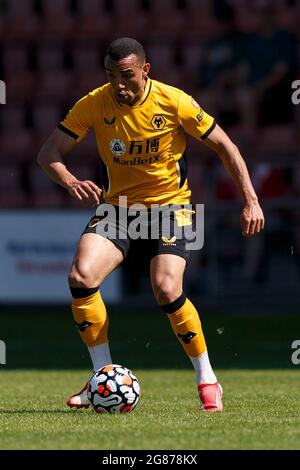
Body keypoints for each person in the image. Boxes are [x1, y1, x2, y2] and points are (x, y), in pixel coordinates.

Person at [37, 37, 265, 412]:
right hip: (119, 209)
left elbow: (227, 146)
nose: (119, 85)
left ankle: (207, 378)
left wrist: (251, 201)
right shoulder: (95, 103)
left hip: (172, 209)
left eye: (126, 76)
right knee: (81, 278)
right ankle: (101, 377)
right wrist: (71, 181)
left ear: (145, 70)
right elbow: (48, 154)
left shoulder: (174, 101)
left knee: (165, 287)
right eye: (111, 76)